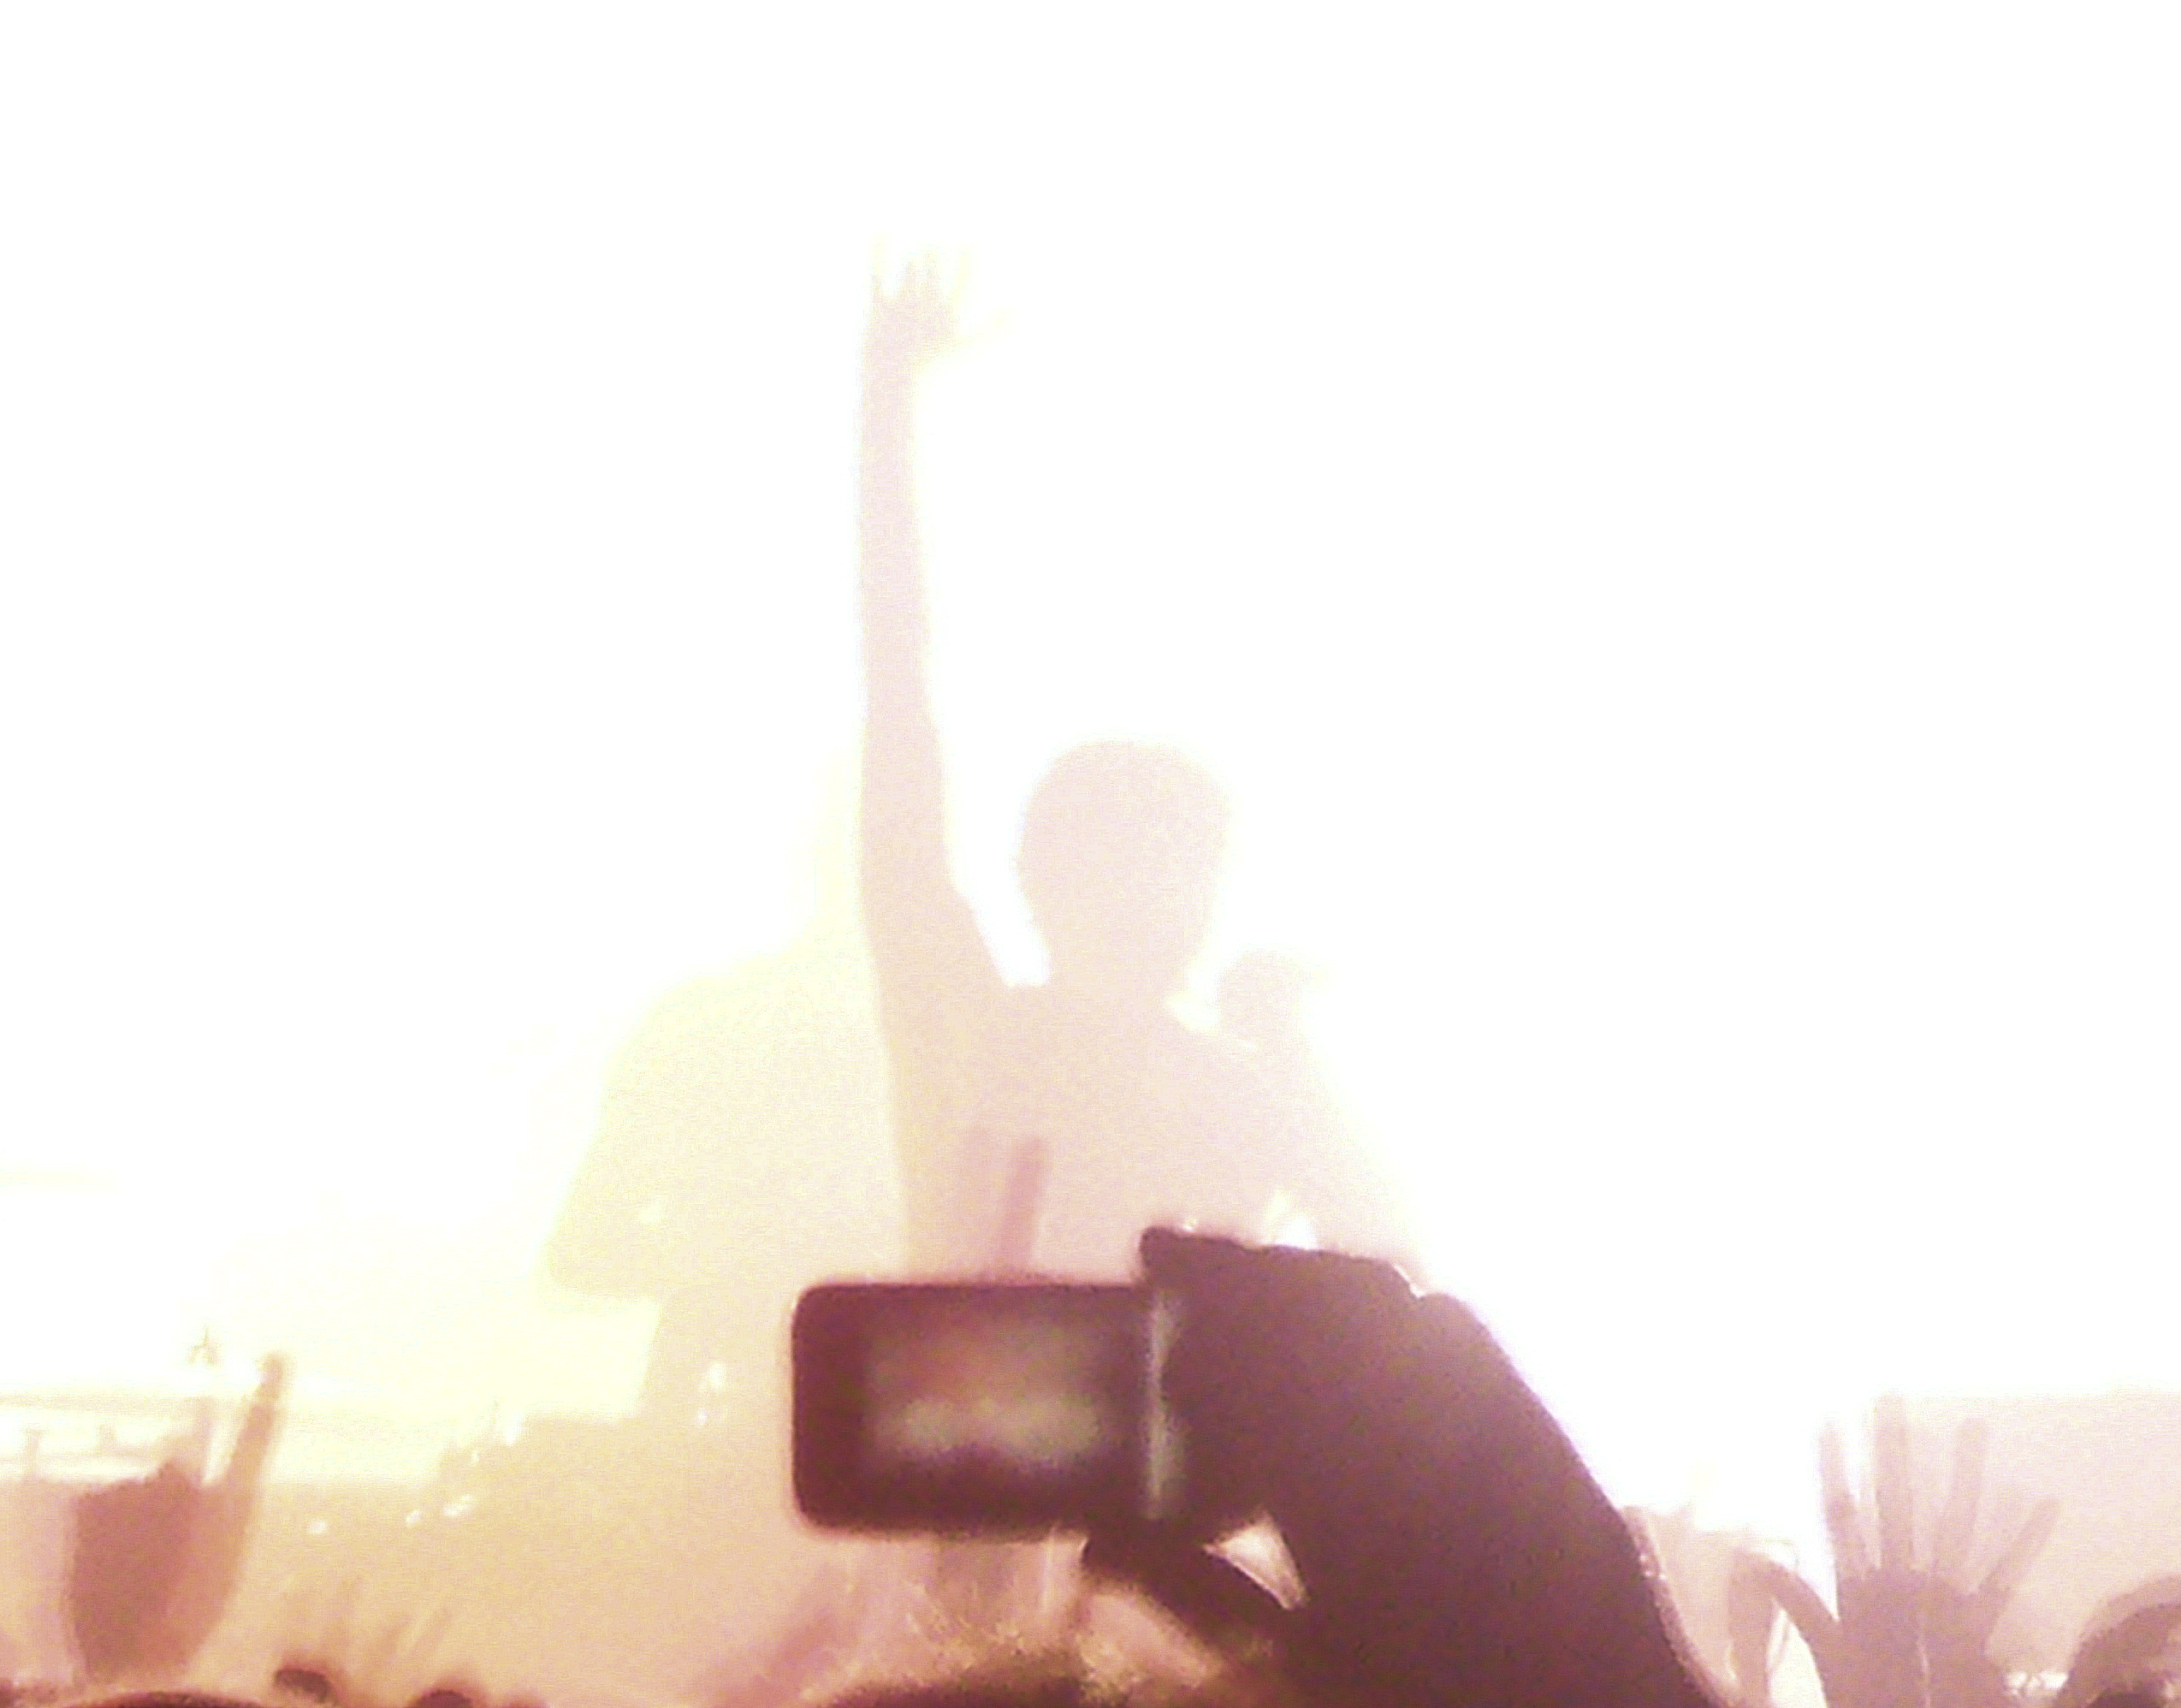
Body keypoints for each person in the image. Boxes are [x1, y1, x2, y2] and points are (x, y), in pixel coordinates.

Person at [858, 256, 1404, 1280]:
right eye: (1121, 863)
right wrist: (884, 410)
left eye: (1180, 867)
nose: (1152, 898)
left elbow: (1393, 1263)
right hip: (971, 1390)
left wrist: (1291, 1049)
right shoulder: (970, 1030)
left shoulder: (1233, 1082)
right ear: (1042, 876)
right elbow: (899, 718)